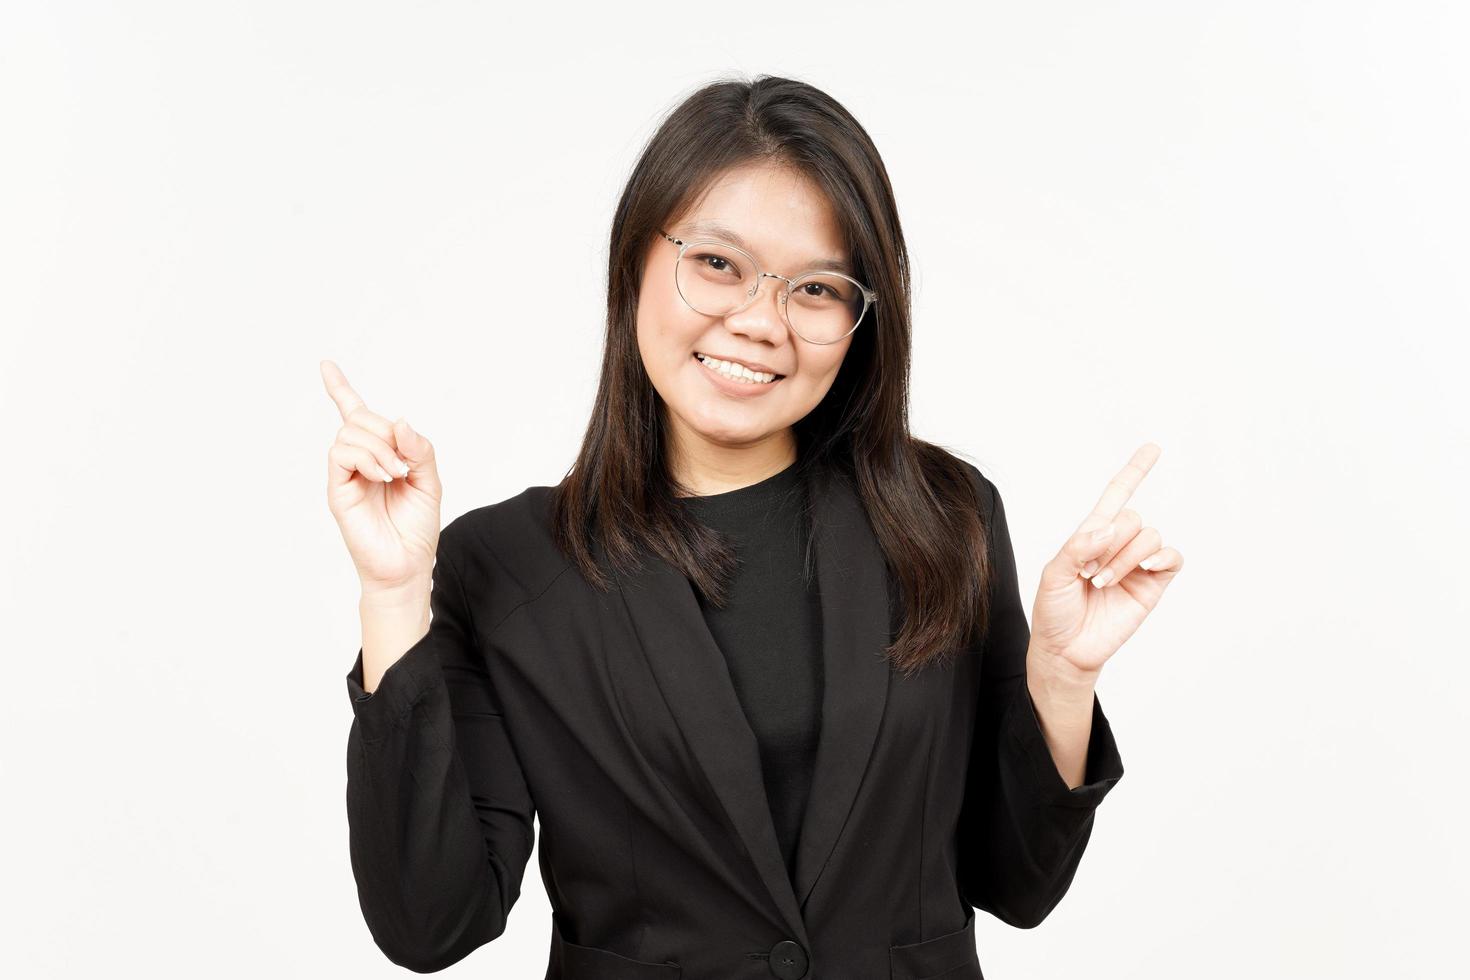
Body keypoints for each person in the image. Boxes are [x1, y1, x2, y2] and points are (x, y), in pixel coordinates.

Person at [322, 74, 1183, 978]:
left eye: (816, 289)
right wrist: (390, 598)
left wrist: (1060, 676)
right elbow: (429, 925)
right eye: (719, 265)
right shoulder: (505, 564)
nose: (761, 322)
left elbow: (1019, 884)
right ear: (636, 264)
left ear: (861, 322)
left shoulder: (948, 516)